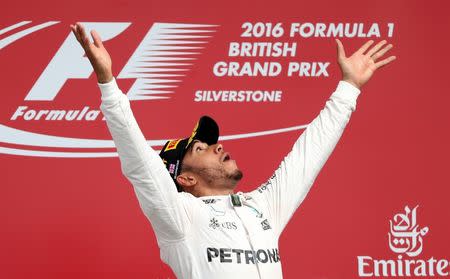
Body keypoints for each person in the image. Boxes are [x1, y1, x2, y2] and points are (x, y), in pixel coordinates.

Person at [70, 22, 395, 279]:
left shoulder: (262, 205)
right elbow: (140, 164)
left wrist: (348, 88)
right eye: (202, 148)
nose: (217, 147)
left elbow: (308, 156)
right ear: (184, 180)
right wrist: (108, 83)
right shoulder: (179, 217)